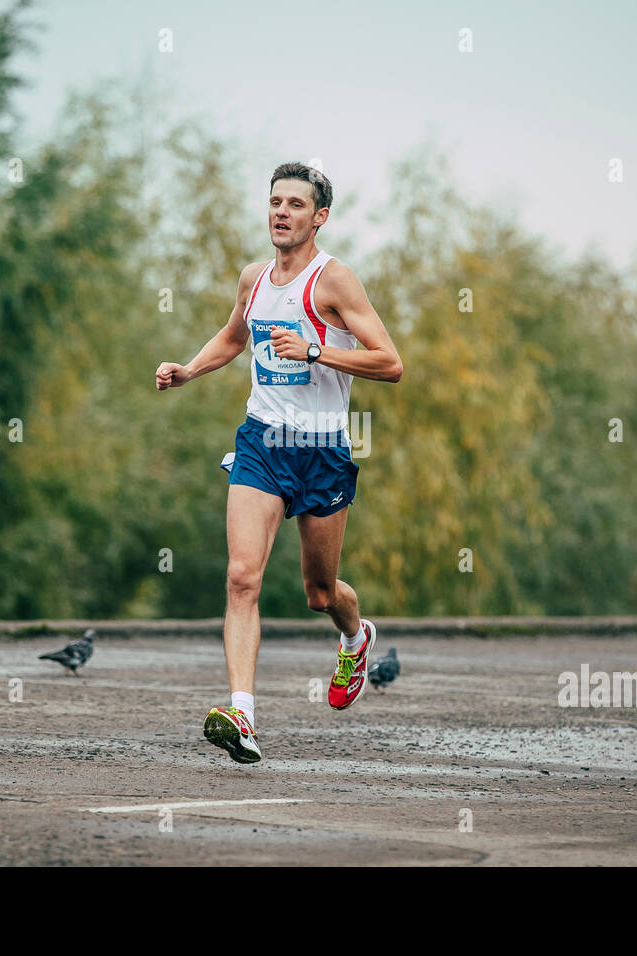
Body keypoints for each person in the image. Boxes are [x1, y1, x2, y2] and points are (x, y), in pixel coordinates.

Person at [155, 162, 403, 763]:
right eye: (275, 202)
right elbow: (234, 337)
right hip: (262, 441)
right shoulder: (255, 279)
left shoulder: (334, 282)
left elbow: (390, 362)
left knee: (319, 593)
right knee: (242, 576)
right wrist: (189, 369)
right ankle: (242, 714)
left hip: (321, 449)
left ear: (319, 217)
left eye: (295, 204)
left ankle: (356, 636)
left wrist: (317, 349)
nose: (281, 212)